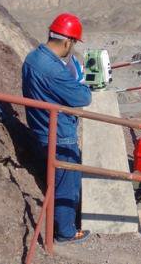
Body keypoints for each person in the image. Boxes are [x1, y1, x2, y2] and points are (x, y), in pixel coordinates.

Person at [22, 13, 92, 244]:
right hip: (60, 134)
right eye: (72, 44)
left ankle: (67, 223)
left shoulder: (33, 58)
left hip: (42, 128)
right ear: (67, 41)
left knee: (62, 178)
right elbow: (83, 97)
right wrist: (78, 84)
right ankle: (65, 232)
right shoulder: (53, 69)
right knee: (67, 184)